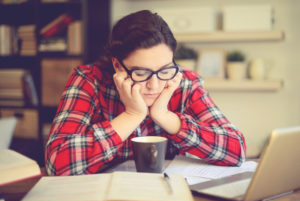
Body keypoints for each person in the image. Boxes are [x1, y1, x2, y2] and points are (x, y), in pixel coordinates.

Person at [45, 10, 246, 176]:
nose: (155, 85)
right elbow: (56, 163)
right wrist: (132, 115)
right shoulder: (89, 81)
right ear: (117, 65)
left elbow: (237, 150)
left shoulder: (184, 82)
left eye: (165, 69)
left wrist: (167, 117)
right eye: (141, 72)